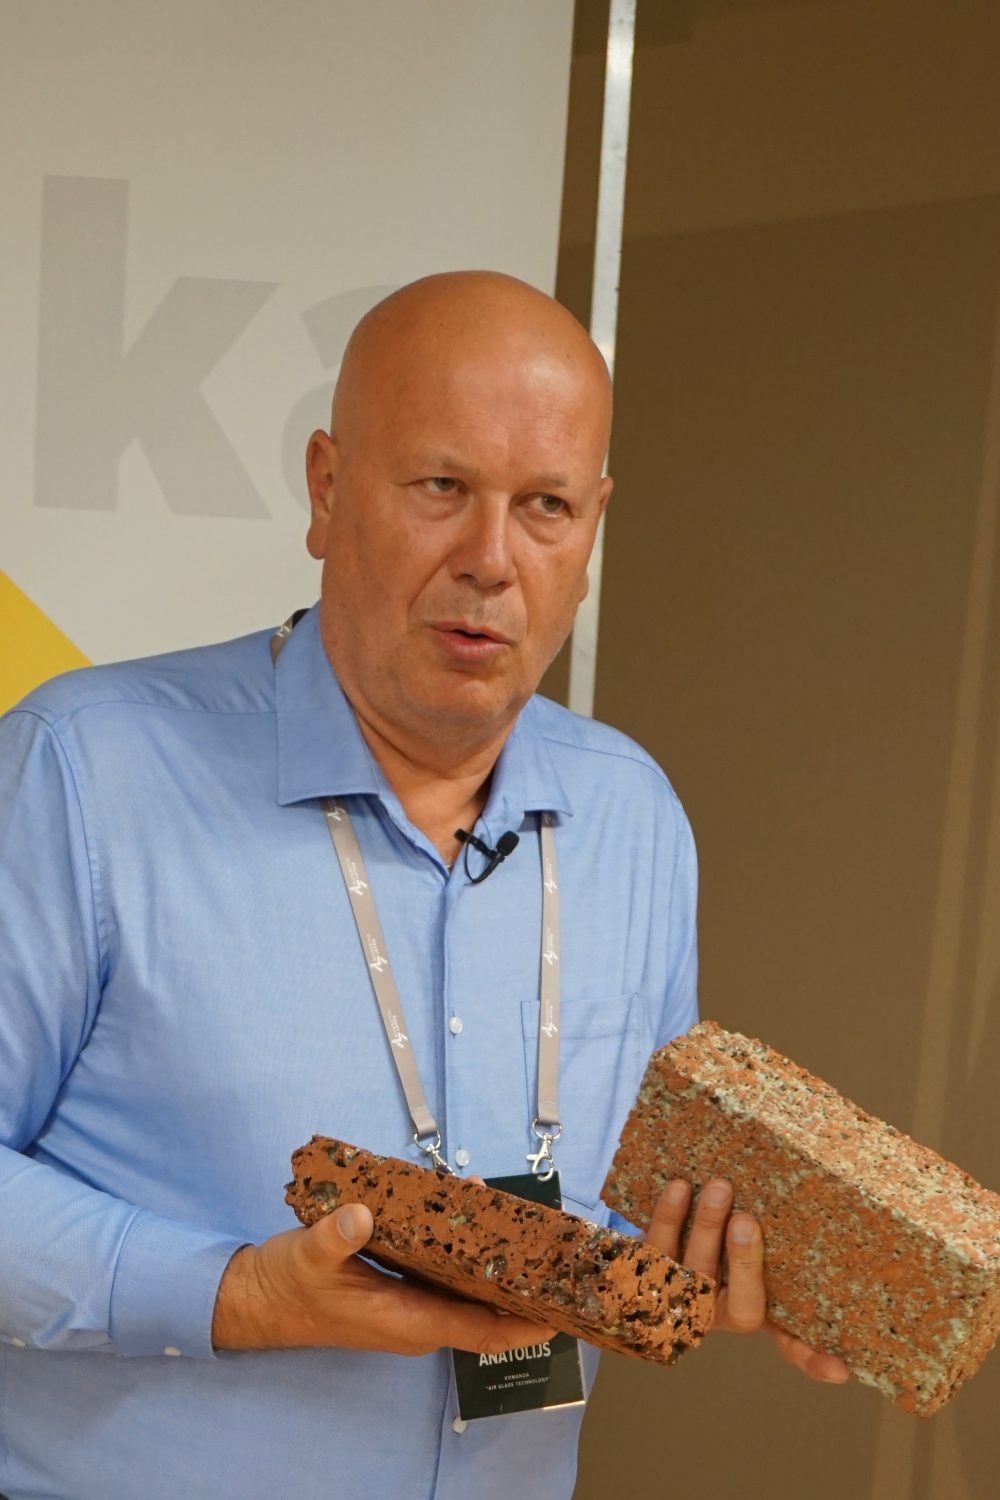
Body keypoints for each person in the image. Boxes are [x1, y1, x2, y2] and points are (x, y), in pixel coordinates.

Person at [0, 272, 848, 1500]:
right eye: (442, 487)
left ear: (593, 529)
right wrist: (234, 1294)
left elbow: (626, 1214)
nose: (491, 560)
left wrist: (746, 1265)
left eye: (545, 505)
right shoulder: (83, 772)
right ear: (326, 489)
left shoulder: (633, 817)